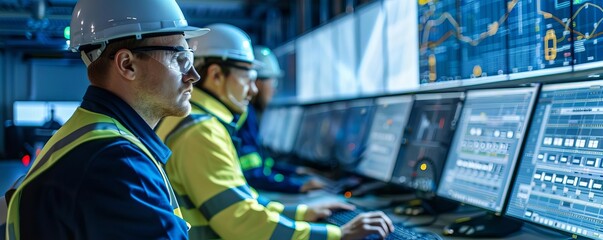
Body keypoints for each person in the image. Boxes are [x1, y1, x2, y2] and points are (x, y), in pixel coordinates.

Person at [156, 23, 394, 240]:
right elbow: (241, 220)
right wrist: (338, 234)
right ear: (216, 75)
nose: (253, 90)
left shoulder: (192, 121)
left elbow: (241, 198)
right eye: (249, 78)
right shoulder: (201, 131)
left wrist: (302, 212)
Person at [4, 0, 207, 239]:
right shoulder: (117, 162)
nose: (193, 75)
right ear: (127, 64)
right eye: (180, 59)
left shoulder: (86, 138)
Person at [237, 46, 323, 193]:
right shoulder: (243, 116)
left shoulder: (248, 114)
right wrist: (297, 186)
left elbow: (261, 163)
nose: (274, 90)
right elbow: (252, 174)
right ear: (258, 82)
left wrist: (293, 171)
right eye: (273, 83)